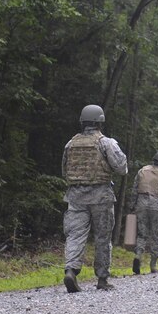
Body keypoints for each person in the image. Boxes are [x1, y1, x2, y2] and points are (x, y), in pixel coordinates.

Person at [61, 104, 128, 292]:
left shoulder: (70, 143)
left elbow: (64, 170)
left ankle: (71, 271)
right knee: (102, 237)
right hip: (101, 196)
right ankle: (102, 279)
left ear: (82, 121)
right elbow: (122, 168)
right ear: (100, 121)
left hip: (75, 196)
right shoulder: (106, 143)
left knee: (75, 235)